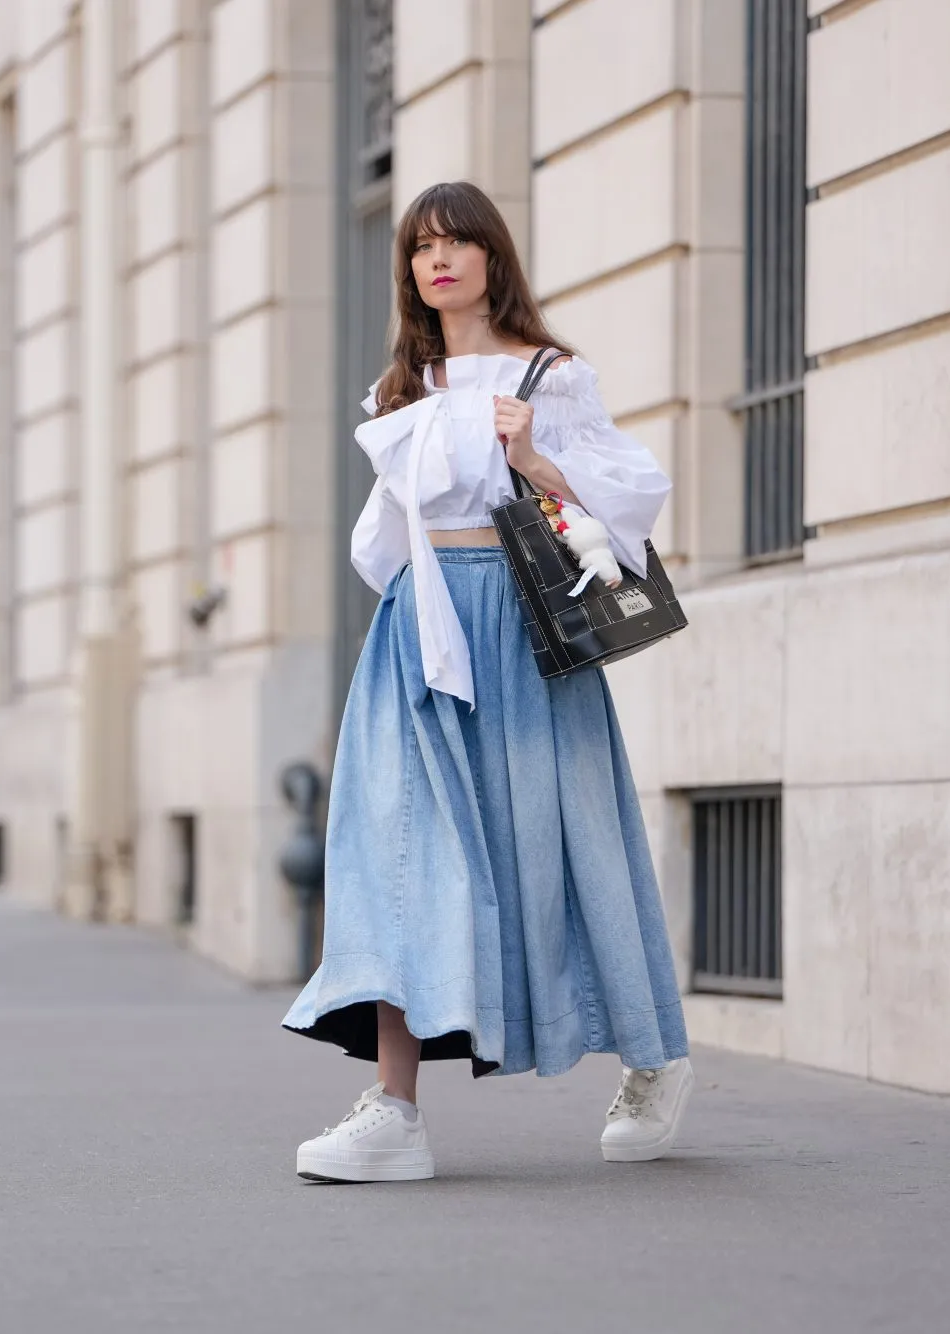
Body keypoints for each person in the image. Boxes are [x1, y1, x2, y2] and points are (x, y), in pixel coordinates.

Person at [283, 181, 691, 1183]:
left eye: (457, 240)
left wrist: (532, 455)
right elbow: (379, 542)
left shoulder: (553, 375)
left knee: (575, 838)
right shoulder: (398, 387)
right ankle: (394, 1109)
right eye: (421, 246)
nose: (438, 259)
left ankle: (652, 1055)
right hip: (419, 631)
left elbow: (632, 498)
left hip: (524, 623)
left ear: (490, 256)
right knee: (392, 851)